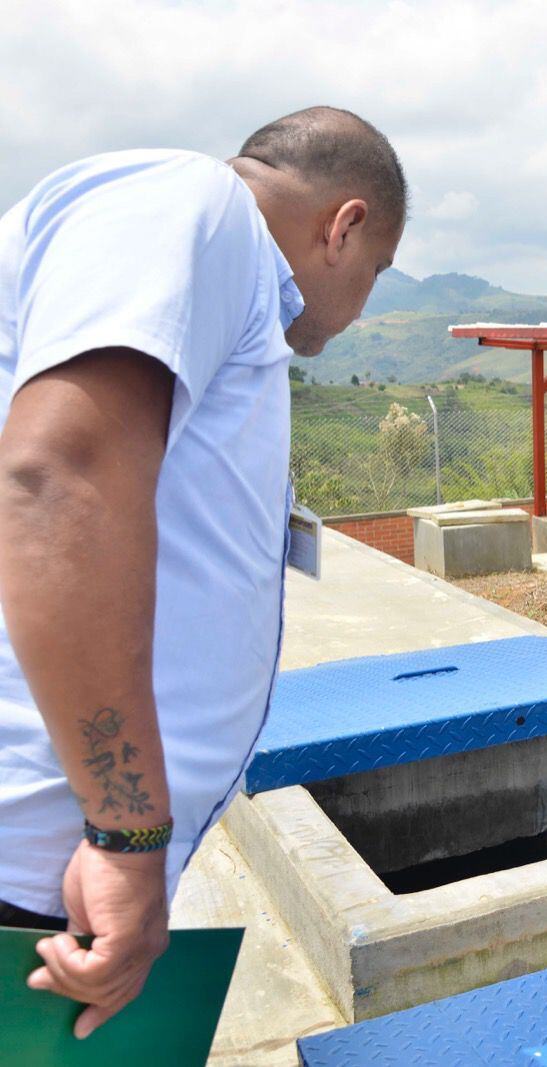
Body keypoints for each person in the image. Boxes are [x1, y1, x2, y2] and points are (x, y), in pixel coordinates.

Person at [0, 107, 406, 1037]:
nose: (363, 306)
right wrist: (124, 830)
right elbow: (58, 480)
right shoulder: (197, 207)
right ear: (343, 227)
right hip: (44, 862)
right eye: (376, 271)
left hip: (60, 862)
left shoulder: (223, 278)